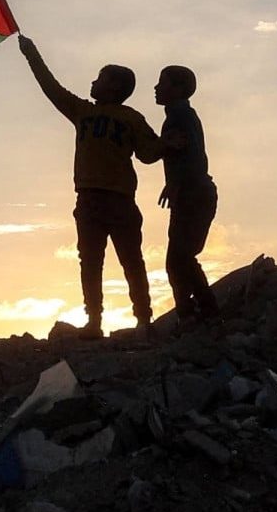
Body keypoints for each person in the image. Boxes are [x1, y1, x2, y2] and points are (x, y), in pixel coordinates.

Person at [18, 35, 166, 339]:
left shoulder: (130, 118)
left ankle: (143, 319)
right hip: (89, 199)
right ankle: (95, 321)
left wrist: (168, 146)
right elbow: (51, 88)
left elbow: (148, 154)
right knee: (91, 261)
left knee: (131, 260)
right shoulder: (82, 111)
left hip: (120, 200)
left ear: (112, 87)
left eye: (100, 78)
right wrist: (32, 55)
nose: (93, 82)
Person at [155, 65, 219, 323]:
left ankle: (200, 314)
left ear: (179, 89)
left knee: (179, 259)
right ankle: (198, 313)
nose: (157, 88)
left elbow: (192, 156)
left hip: (194, 195)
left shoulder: (180, 116)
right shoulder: (178, 116)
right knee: (180, 258)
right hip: (191, 194)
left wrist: (176, 183)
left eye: (163, 82)